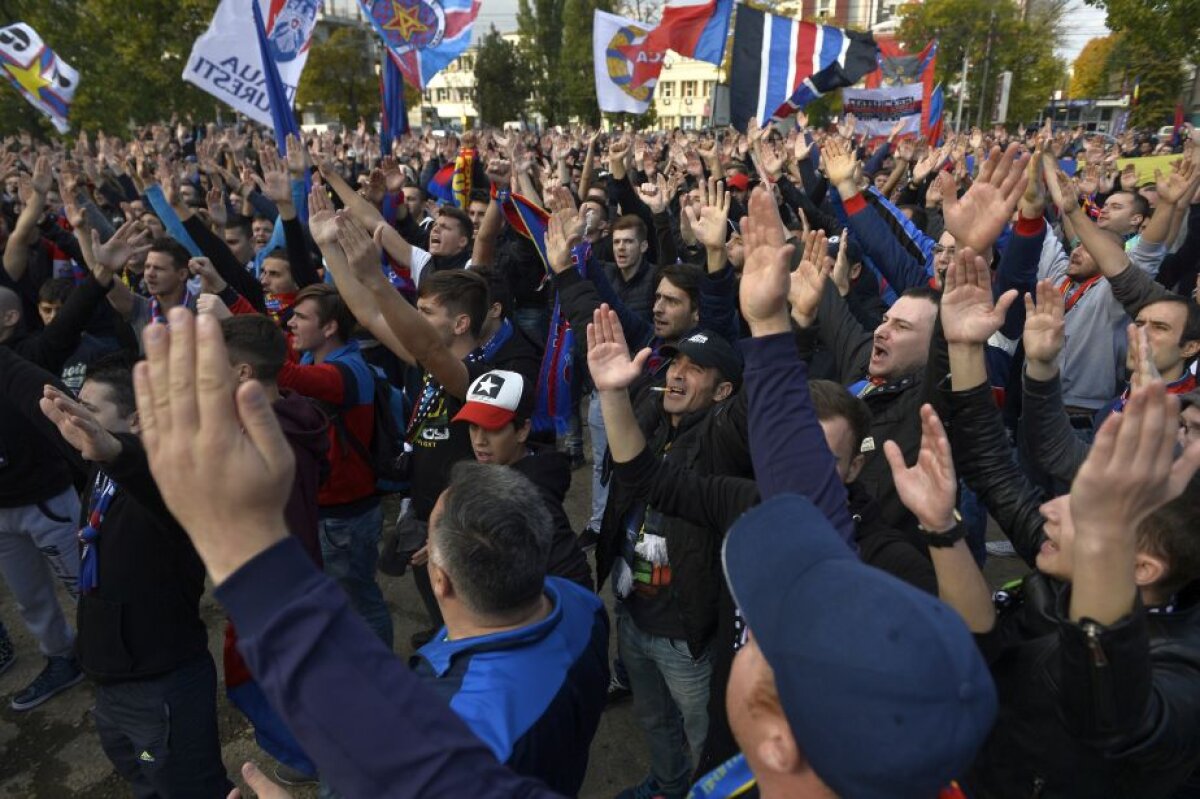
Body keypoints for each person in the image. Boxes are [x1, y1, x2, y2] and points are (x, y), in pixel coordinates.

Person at [127, 306, 997, 799]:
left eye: (765, 628)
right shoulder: (915, 761)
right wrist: (769, 327)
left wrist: (246, 548)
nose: (751, 623)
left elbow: (435, 778)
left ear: (774, 736)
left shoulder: (563, 623)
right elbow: (812, 501)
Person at [936, 248, 1200, 797]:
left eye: (1084, 512)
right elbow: (994, 470)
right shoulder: (1070, 564)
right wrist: (964, 348)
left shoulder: (1182, 673)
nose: (1049, 508)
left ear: (1142, 566)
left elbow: (1112, 718)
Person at [9, 350, 231, 795]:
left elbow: (152, 479)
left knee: (180, 781)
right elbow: (30, 388)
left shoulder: (174, 482)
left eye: (87, 410)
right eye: (75, 405)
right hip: (113, 686)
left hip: (158, 691)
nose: (75, 418)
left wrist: (114, 450)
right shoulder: (97, 467)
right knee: (140, 771)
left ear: (138, 421)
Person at [220, 313, 329, 786]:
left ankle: (310, 759)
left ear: (244, 372)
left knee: (262, 683)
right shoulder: (293, 415)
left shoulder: (263, 444)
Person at [277, 283, 391, 649]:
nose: (290, 323)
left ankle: (379, 674)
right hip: (324, 510)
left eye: (300, 317)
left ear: (329, 328)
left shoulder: (346, 372)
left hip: (344, 518)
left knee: (359, 604)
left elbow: (279, 372)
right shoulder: (312, 360)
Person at [451, 369, 592, 590]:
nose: (479, 440)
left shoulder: (533, 499)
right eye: (473, 426)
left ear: (522, 430)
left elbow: (576, 583)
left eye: (493, 428)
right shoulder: (500, 469)